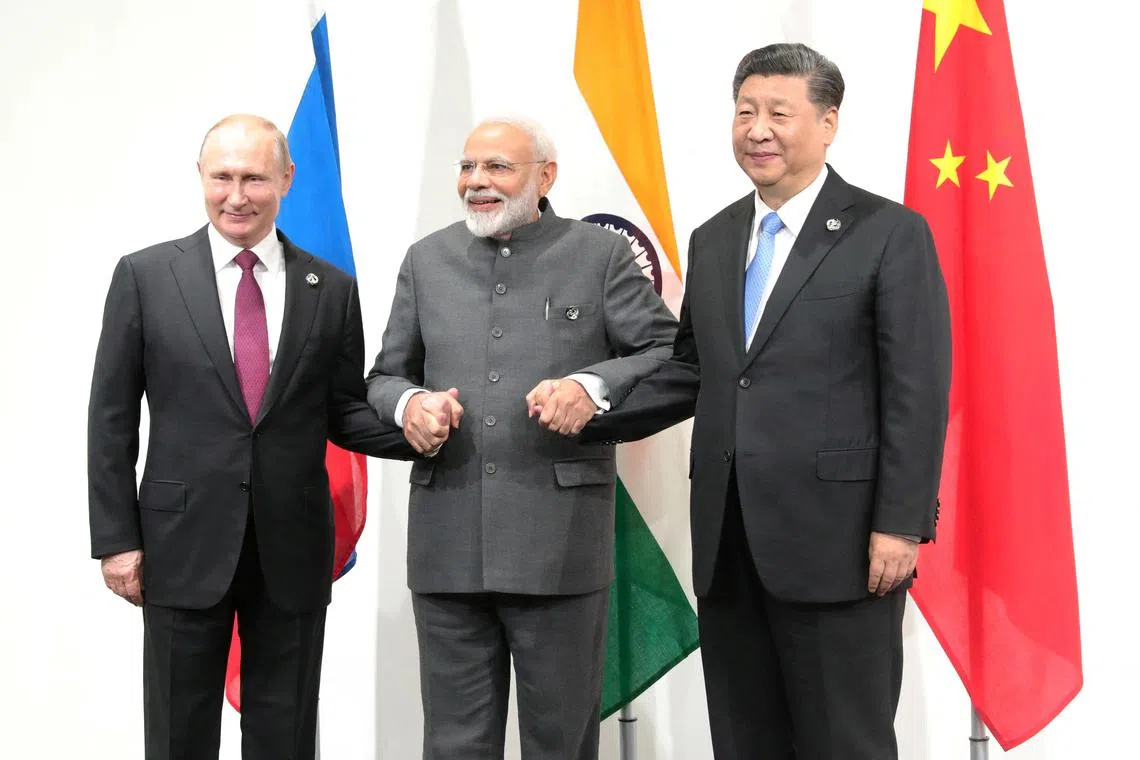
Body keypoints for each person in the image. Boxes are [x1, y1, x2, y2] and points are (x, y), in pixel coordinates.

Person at [577, 44, 952, 759]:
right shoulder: (714, 238)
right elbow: (695, 372)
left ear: (828, 122)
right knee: (744, 741)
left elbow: (917, 389)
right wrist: (590, 398)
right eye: (745, 111)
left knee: (845, 743)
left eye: (779, 113)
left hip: (842, 545)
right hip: (729, 545)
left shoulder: (889, 232)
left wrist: (901, 524)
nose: (758, 130)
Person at [87, 114, 413, 760]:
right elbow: (111, 418)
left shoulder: (331, 289)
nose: (236, 196)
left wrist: (417, 426)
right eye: (222, 178)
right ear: (201, 177)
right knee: (178, 738)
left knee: (286, 740)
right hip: (180, 548)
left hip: (292, 551)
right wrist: (117, 541)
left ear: (287, 179)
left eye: (255, 179)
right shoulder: (145, 276)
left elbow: (343, 411)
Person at [365, 117, 677, 760]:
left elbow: (668, 351)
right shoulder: (426, 260)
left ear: (546, 177)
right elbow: (384, 375)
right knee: (453, 745)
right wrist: (409, 404)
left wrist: (592, 385)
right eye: (467, 167)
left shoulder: (600, 255)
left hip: (559, 541)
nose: (476, 181)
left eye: (498, 167)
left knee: (559, 744)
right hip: (447, 545)